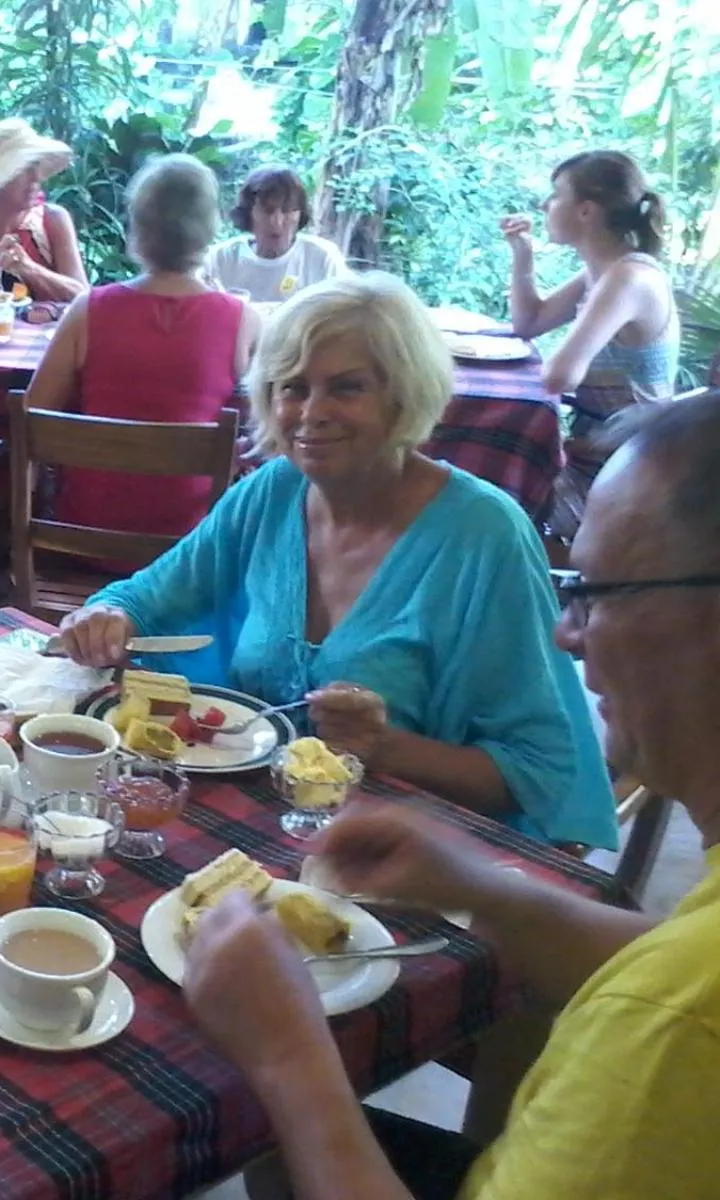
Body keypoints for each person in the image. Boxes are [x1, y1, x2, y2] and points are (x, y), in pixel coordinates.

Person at [185, 392, 720, 1200]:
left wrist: (288, 1058)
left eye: (600, 592)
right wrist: (481, 885)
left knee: (261, 1130)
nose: (567, 634)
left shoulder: (676, 1031)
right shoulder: (686, 971)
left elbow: (672, 997)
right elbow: (660, 957)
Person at [57, 273, 615, 848]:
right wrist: (107, 617)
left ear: (404, 396)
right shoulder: (272, 490)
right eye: (293, 387)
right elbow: (144, 597)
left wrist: (386, 747)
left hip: (416, 853)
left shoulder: (485, 535)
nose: (311, 413)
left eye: (347, 388)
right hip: (261, 826)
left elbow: (541, 775)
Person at [22, 153, 259, 546]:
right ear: (209, 226)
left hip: (82, 539)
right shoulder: (243, 320)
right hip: (189, 556)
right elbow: (271, 430)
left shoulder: (87, 310)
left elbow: (32, 421)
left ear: (138, 225)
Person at [500, 150, 679, 541]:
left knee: (497, 501)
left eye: (556, 195)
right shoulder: (602, 273)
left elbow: (559, 376)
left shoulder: (628, 278)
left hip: (628, 469)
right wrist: (522, 255)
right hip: (600, 453)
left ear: (586, 211)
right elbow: (529, 323)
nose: (545, 205)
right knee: (495, 484)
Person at [0, 118, 89, 303]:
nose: (35, 178)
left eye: (36, 166)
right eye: (25, 169)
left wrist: (29, 269)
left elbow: (84, 298)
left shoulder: (52, 220)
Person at [205, 166, 348, 304]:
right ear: (249, 213)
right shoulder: (221, 259)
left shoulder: (323, 258)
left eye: (288, 210)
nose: (277, 221)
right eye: (267, 211)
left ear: (300, 214)